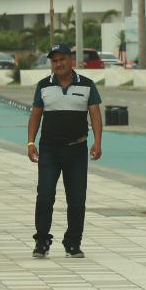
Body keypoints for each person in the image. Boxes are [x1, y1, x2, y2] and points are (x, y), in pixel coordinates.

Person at [26, 44, 104, 259]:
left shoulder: (87, 85)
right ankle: (42, 241)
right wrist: (30, 143)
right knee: (45, 196)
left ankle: (73, 242)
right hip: (49, 150)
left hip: (77, 150)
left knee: (77, 199)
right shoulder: (43, 86)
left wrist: (97, 142)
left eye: (62, 59)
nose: (58, 64)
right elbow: (35, 115)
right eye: (54, 61)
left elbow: (95, 115)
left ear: (71, 60)